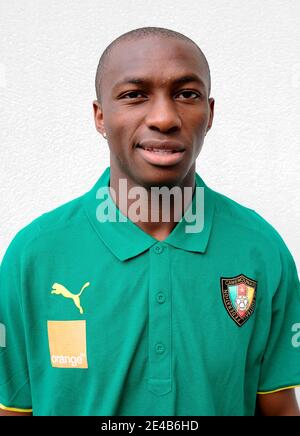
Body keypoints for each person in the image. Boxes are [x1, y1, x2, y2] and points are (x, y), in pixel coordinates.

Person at [0, 26, 299, 416]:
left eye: (186, 94)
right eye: (134, 95)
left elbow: (279, 408)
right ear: (100, 116)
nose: (163, 117)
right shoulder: (35, 254)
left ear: (209, 113)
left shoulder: (260, 249)